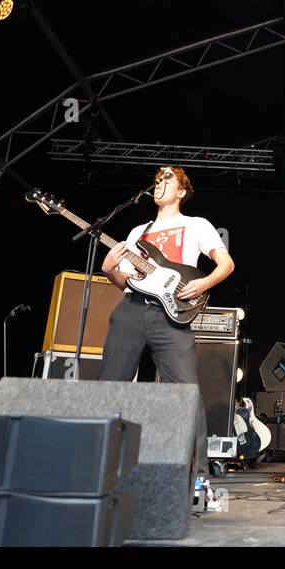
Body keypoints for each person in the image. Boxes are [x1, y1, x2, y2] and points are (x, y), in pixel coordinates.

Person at [98, 166, 234, 482]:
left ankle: (197, 478)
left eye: (168, 178)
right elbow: (130, 284)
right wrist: (110, 271)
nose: (160, 182)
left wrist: (203, 284)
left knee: (186, 392)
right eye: (157, 178)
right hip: (131, 310)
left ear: (182, 191)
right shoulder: (137, 233)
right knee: (109, 386)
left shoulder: (196, 225)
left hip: (170, 316)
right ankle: (100, 466)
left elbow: (226, 264)